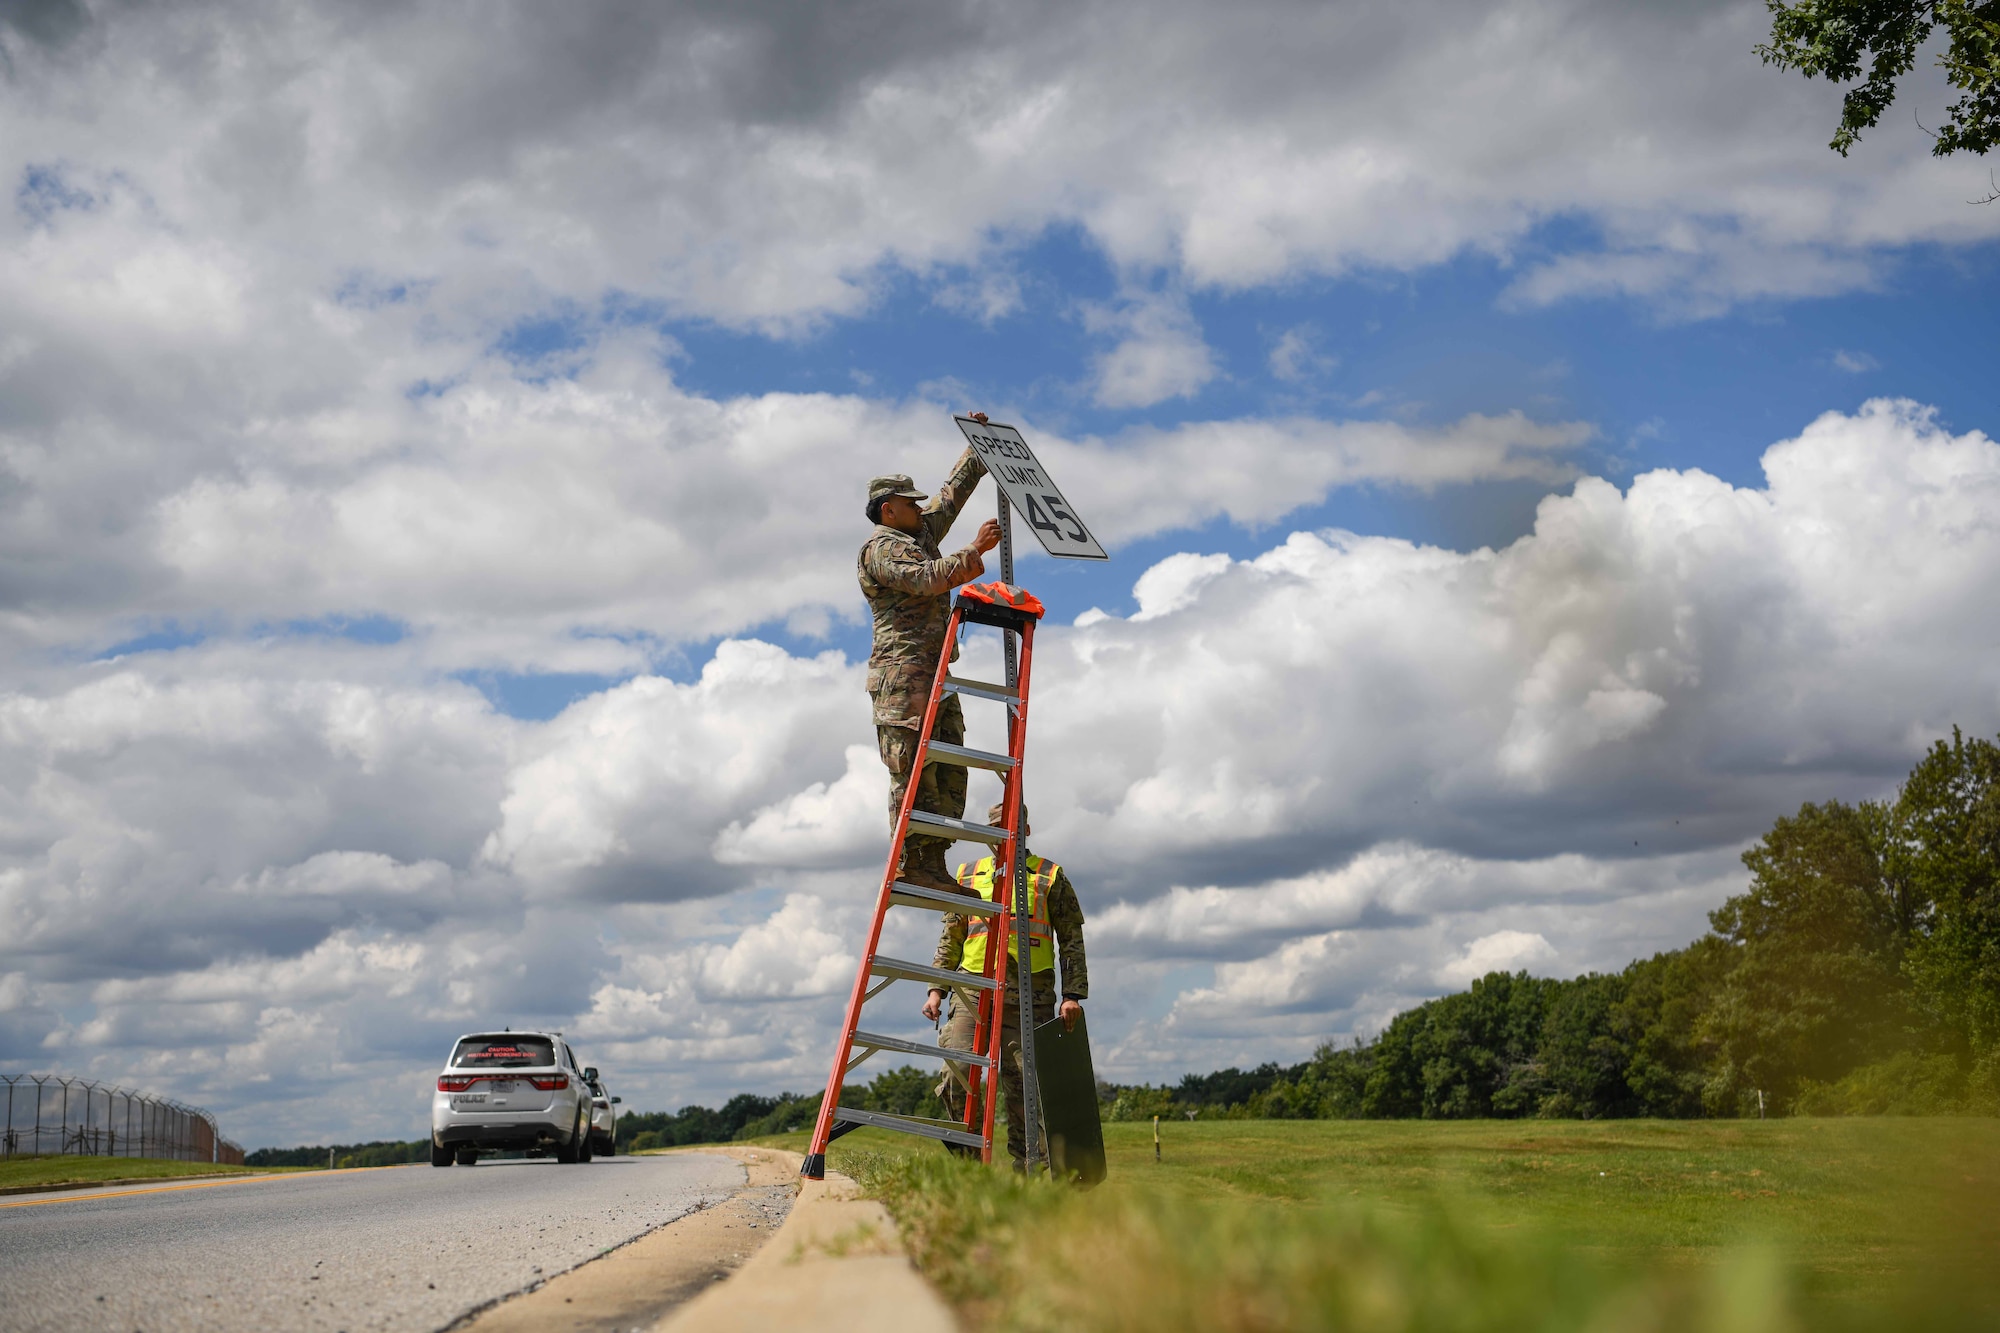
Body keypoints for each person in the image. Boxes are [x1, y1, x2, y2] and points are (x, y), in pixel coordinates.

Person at [859, 448, 1002, 893]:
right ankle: (909, 861)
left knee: (947, 770)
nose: (920, 510)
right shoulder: (881, 548)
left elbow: (949, 498)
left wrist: (979, 450)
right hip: (902, 678)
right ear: (889, 510)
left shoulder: (917, 532)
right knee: (912, 770)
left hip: (935, 674)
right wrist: (975, 550)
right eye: (910, 503)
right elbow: (926, 579)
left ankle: (933, 866)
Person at [923, 803, 1088, 1168]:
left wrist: (1072, 995)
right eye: (996, 829)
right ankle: (969, 1165)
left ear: (1025, 830)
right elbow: (952, 933)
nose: (1004, 837)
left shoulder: (1048, 875)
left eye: (1011, 828)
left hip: (1030, 995)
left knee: (1026, 1089)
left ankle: (1025, 1176)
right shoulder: (968, 874)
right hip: (972, 991)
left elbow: (1071, 937)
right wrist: (937, 989)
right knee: (957, 1073)